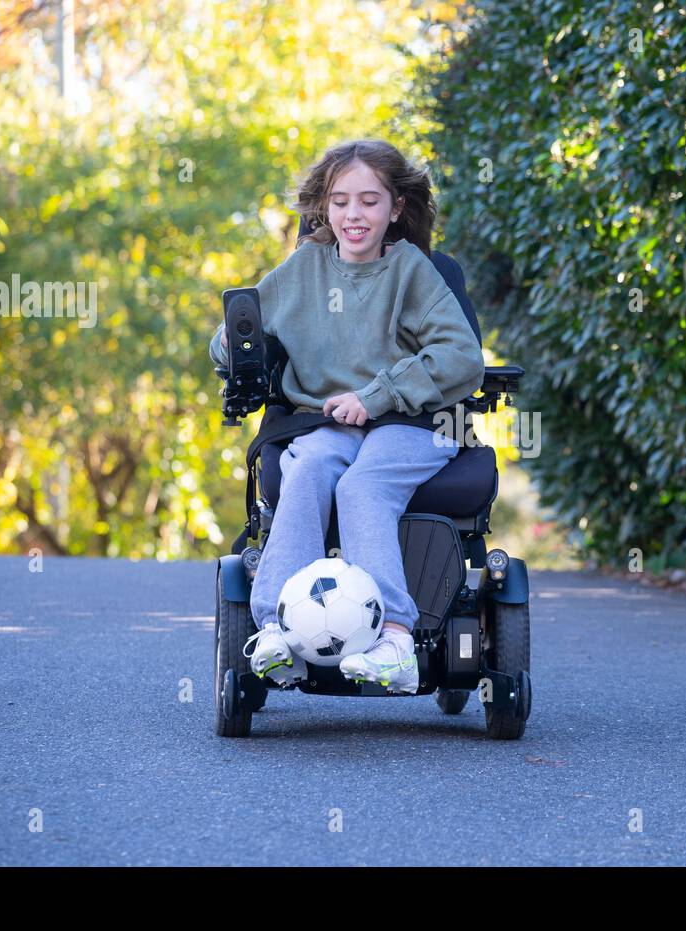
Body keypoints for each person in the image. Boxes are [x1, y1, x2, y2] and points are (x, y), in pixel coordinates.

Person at [208, 139, 485, 694]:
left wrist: (377, 395)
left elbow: (462, 357)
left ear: (395, 208)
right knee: (306, 471)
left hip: (412, 425)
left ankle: (397, 640)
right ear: (323, 208)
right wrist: (238, 349)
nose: (353, 216)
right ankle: (276, 631)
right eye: (339, 202)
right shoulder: (302, 269)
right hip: (323, 425)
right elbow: (236, 337)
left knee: (361, 488)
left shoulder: (412, 271)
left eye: (369, 201)